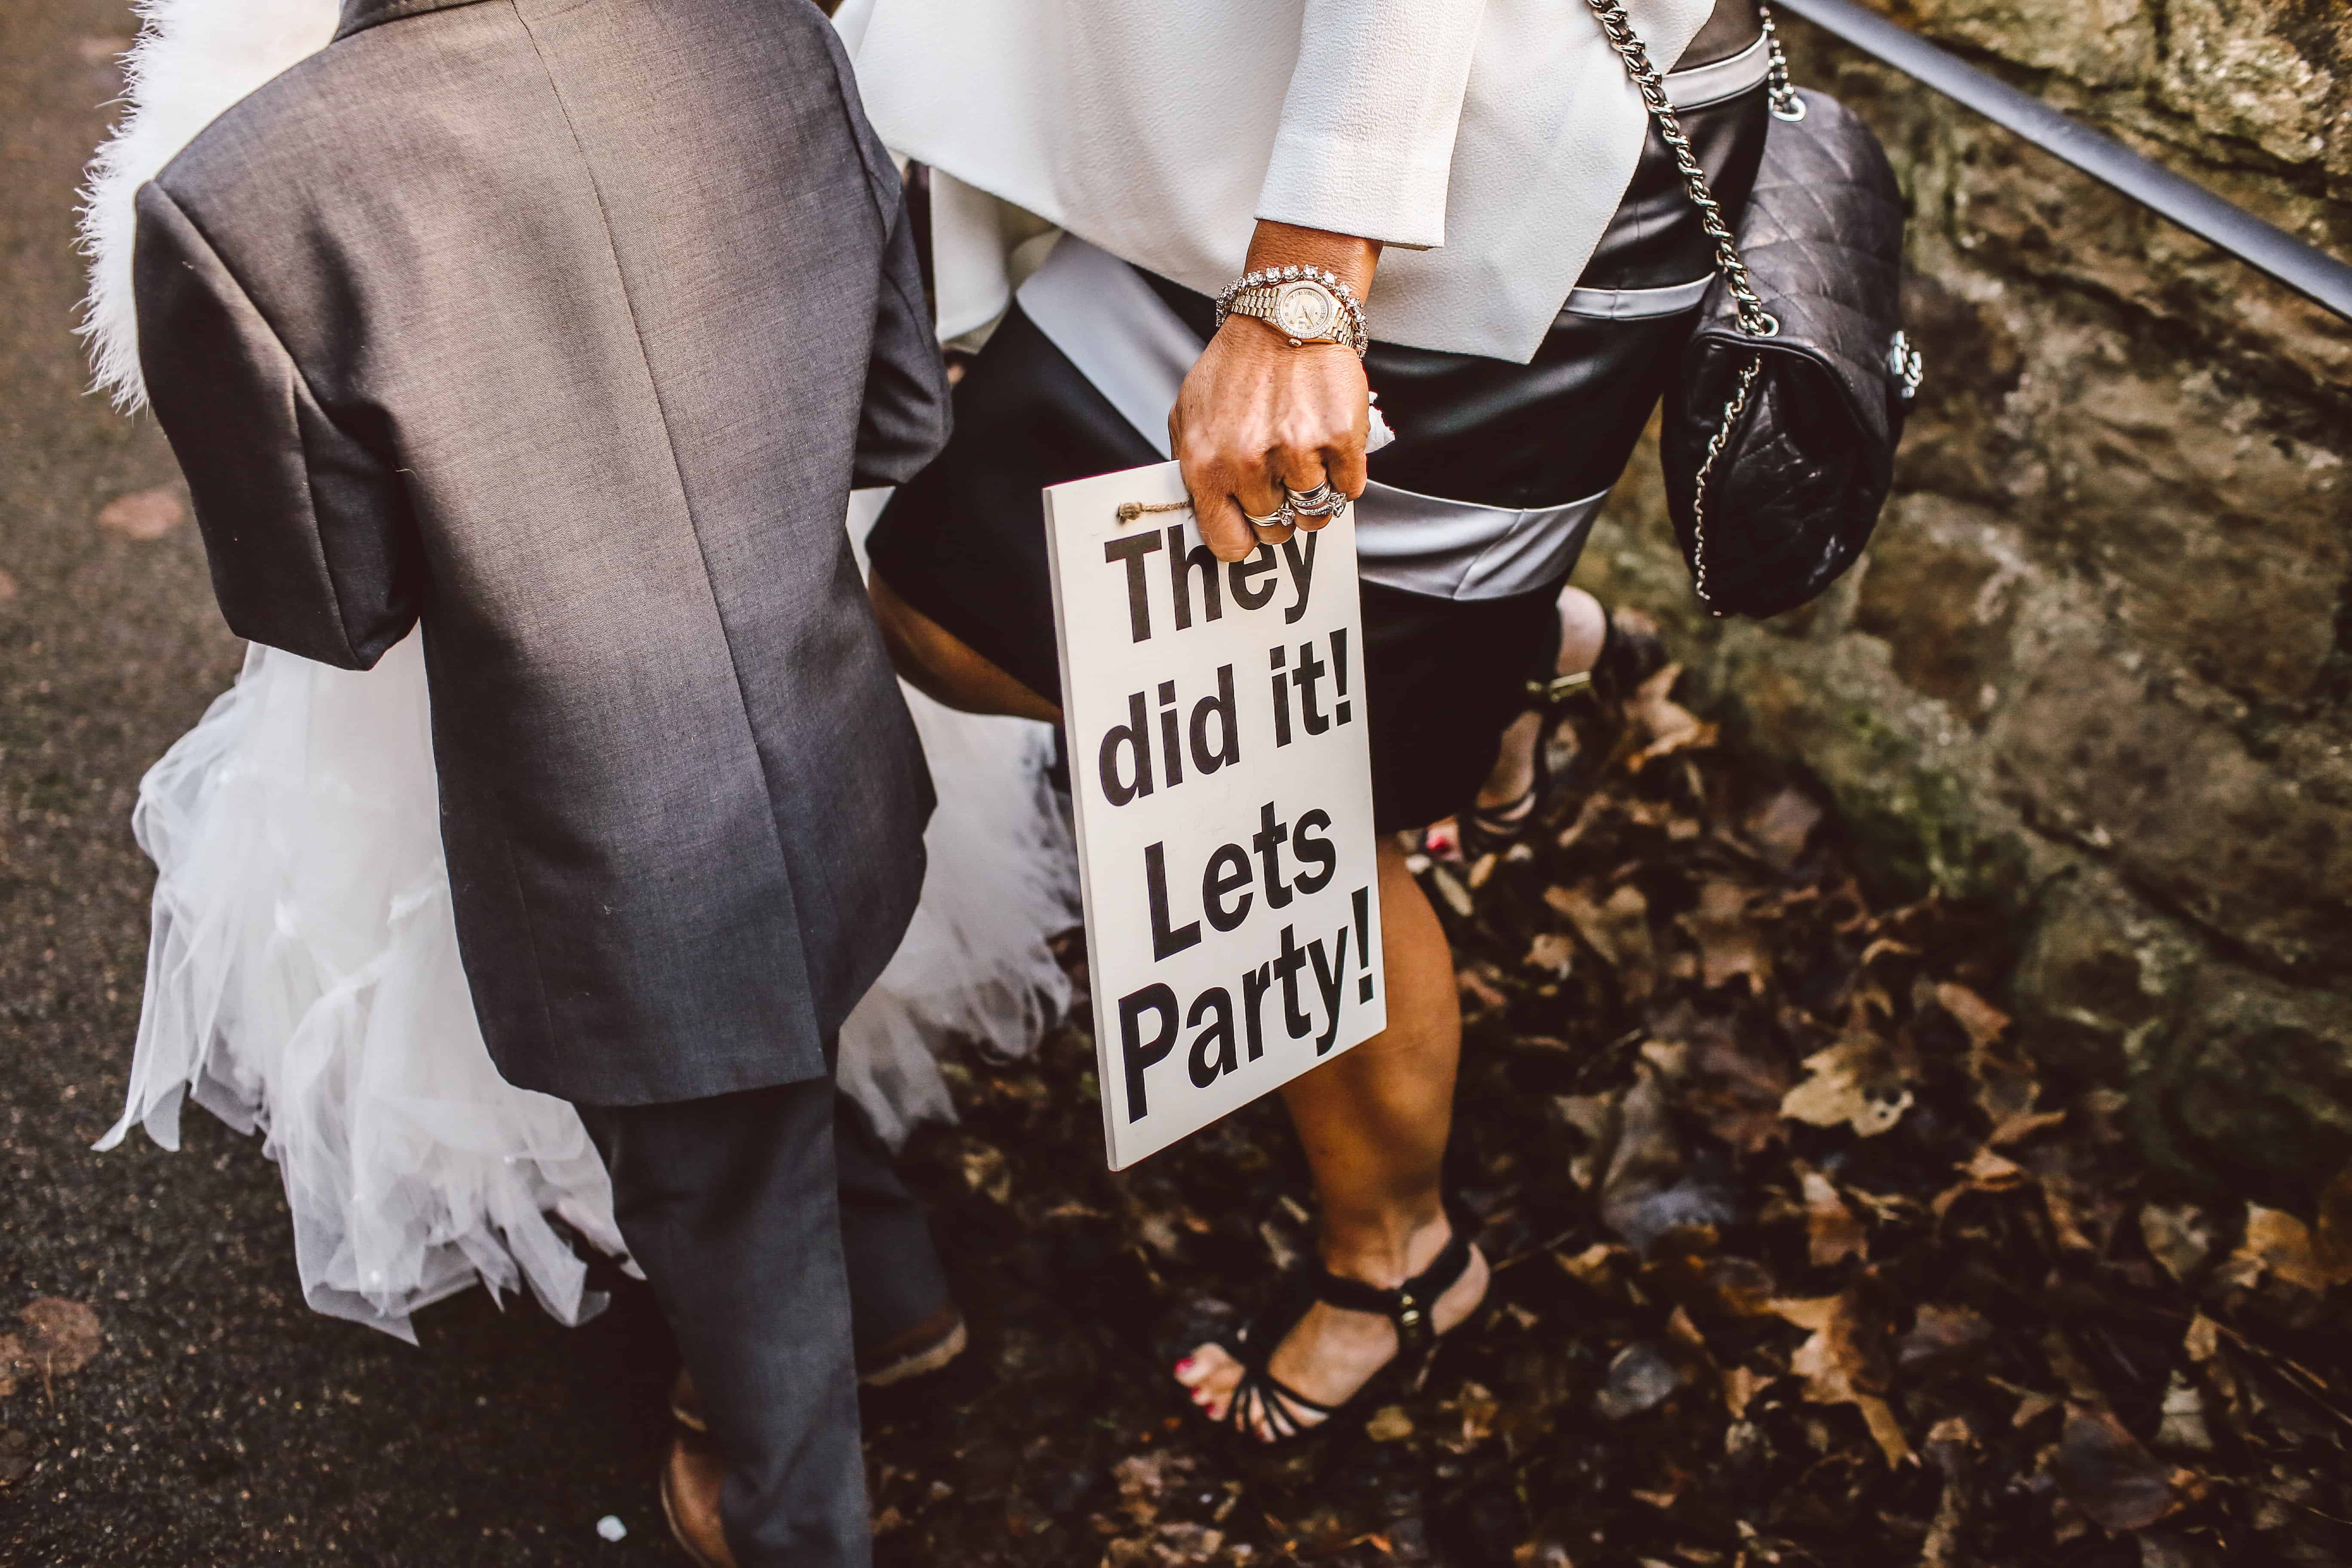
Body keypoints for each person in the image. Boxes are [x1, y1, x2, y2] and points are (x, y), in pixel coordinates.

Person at [103, 1, 1021, 1561]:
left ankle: (793, 1514)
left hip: (601, 834)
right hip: (837, 746)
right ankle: (906, 1311)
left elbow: (336, 606)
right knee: (769, 1071)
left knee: (705, 1180)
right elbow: (899, 416)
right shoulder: (776, 33)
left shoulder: (241, 196)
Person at [842, 0, 1773, 1442]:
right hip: (1233, 139)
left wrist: (1302, 291)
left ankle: (1401, 1257)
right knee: (937, 599)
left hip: (1447, 175)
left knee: (1261, 779)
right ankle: (1493, 666)